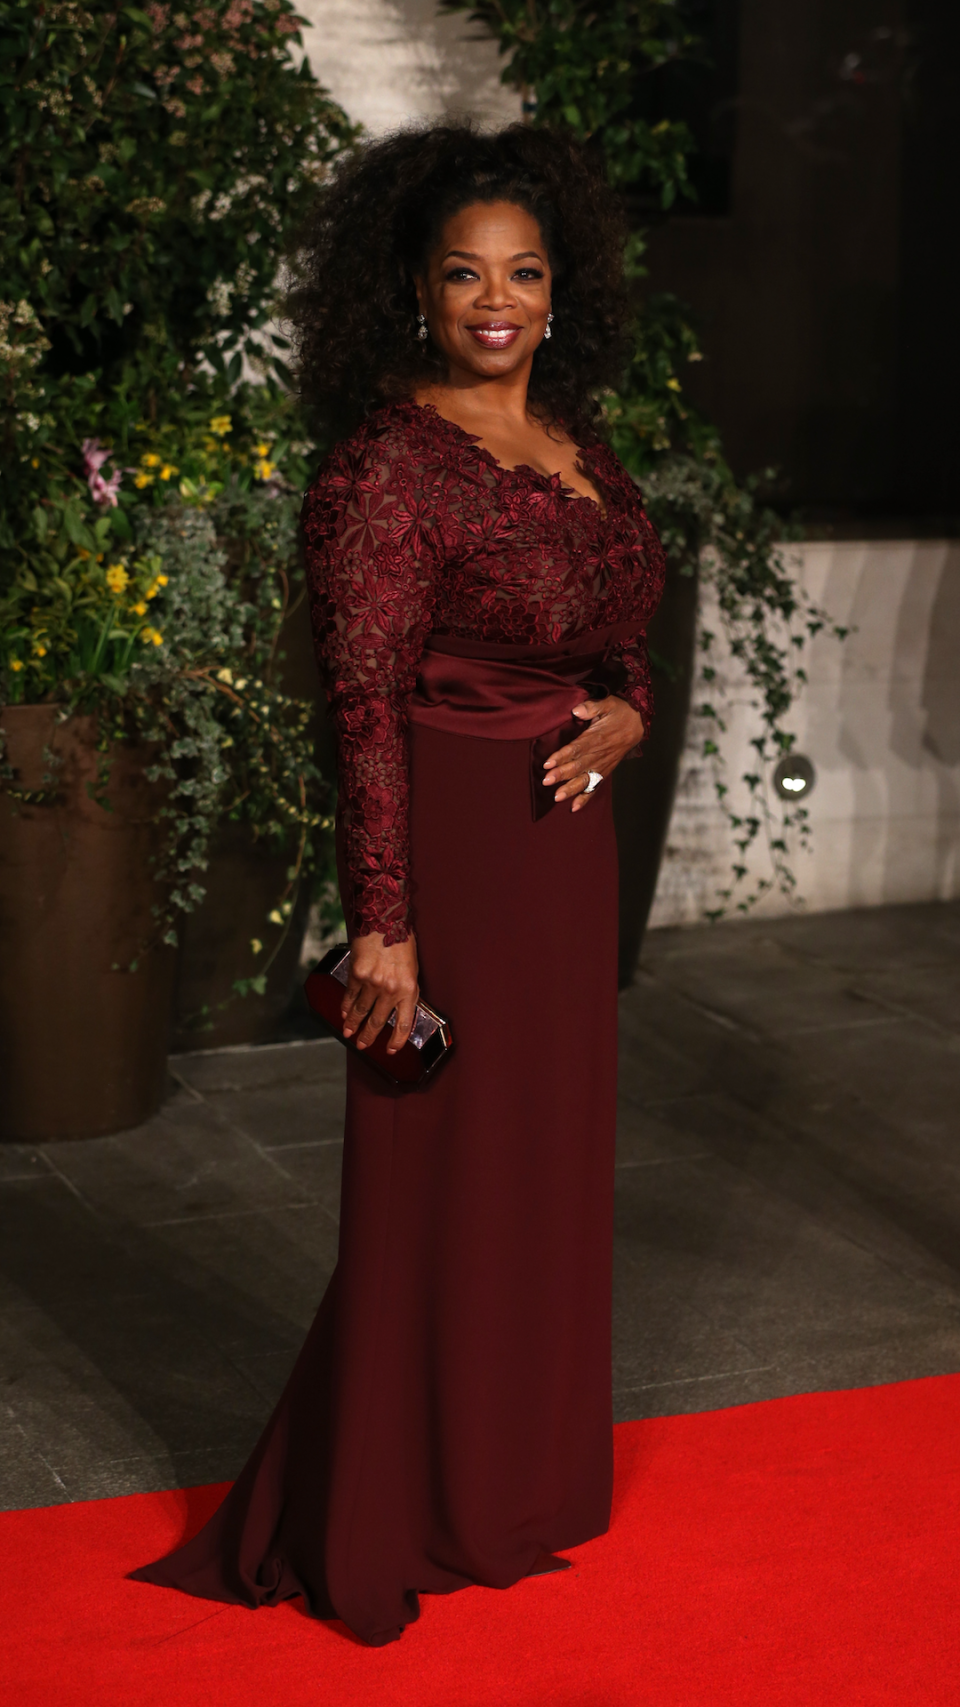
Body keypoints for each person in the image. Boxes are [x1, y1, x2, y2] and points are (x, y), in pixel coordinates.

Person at [131, 121, 665, 1648]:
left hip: (566, 851)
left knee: (546, 1168)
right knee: (441, 1182)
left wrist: (624, 703)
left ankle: (519, 1477)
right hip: (456, 856)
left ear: (560, 294)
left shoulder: (571, 436)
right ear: (417, 295)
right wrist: (384, 923)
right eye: (462, 276)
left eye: (522, 273)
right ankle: (397, 1493)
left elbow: (617, 608)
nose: (494, 301)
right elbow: (357, 702)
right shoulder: (382, 466)